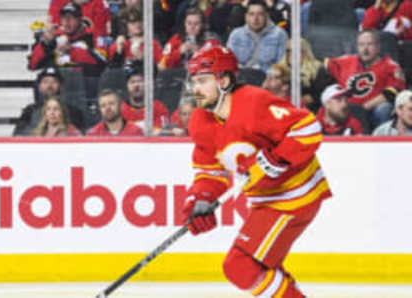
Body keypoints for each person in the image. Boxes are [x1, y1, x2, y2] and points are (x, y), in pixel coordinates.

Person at [182, 45, 331, 298]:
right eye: (194, 81)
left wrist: (274, 160)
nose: (196, 89)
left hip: (294, 195)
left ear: (225, 80)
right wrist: (201, 198)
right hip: (264, 201)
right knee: (261, 268)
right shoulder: (200, 120)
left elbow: (307, 128)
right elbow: (210, 172)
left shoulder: (253, 102)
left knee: (240, 266)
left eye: (203, 80)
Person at [28, 2, 108, 101]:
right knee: (43, 81)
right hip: (57, 87)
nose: (67, 22)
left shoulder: (93, 35)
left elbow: (102, 61)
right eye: (63, 18)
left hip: (84, 85)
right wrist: (46, 44)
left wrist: (71, 51)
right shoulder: (52, 36)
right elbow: (32, 65)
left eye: (71, 18)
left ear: (80, 19)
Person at [325, 29, 406, 127]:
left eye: (369, 44)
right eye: (361, 45)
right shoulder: (346, 61)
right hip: (345, 109)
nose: (365, 49)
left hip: (373, 110)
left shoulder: (390, 66)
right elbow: (321, 65)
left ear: (378, 47)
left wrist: (363, 108)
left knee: (384, 109)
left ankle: (382, 140)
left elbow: (392, 92)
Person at [13, 67, 88, 136]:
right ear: (39, 87)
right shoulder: (29, 111)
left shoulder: (73, 112)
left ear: (61, 86)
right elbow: (18, 136)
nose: (49, 85)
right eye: (45, 82)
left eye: (54, 82)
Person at [226, 0, 288, 73]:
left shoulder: (280, 35)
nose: (255, 18)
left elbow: (281, 67)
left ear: (267, 16)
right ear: (246, 17)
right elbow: (229, 63)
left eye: (260, 14)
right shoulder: (236, 35)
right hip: (241, 78)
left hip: (268, 79)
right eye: (251, 14)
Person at [278, 39, 334, 114]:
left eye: (295, 51)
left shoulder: (317, 69)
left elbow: (320, 96)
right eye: (288, 51)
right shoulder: (280, 69)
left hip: (310, 110)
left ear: (304, 52)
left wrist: (306, 99)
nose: (291, 54)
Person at [121, 60, 170, 130]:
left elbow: (161, 133)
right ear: (127, 86)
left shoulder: (159, 108)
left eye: (141, 81)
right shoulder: (120, 110)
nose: (136, 85)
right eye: (132, 82)